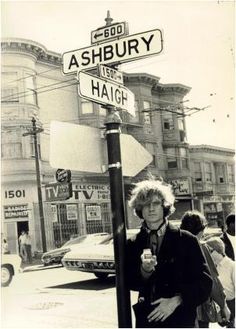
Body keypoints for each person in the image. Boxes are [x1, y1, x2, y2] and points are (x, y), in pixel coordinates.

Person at [125, 178, 213, 328]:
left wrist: (177, 300)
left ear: (165, 206)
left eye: (156, 203)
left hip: (181, 319)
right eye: (145, 204)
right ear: (139, 209)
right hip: (148, 320)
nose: (151, 208)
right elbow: (128, 282)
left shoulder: (187, 240)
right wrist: (145, 271)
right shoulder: (133, 243)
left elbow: (205, 283)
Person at [180, 210, 230, 327]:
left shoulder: (175, 244)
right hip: (200, 306)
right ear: (201, 229)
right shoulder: (201, 247)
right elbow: (212, 281)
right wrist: (223, 306)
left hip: (178, 306)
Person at [206, 237, 235, 328]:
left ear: (216, 251)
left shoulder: (232, 266)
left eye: (208, 252)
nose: (206, 255)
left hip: (231, 303)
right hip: (215, 303)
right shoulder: (210, 266)